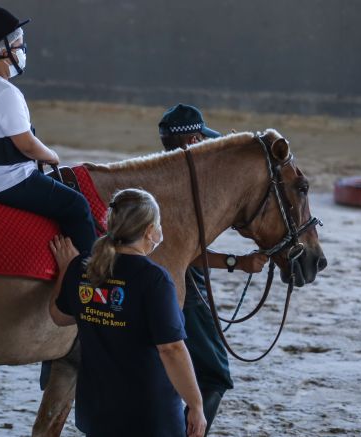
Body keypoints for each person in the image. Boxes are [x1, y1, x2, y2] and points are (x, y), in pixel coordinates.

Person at [49, 188, 207, 437]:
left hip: (97, 408)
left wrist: (66, 270)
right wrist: (196, 405)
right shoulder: (154, 278)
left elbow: (59, 316)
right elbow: (171, 349)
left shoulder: (82, 269)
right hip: (147, 413)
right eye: (158, 224)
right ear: (149, 230)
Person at [158, 104, 268, 435]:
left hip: (158, 280)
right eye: (203, 138)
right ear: (194, 140)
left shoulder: (156, 175)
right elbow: (187, 254)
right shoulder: (188, 186)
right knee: (214, 375)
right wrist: (238, 262)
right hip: (186, 286)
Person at [0, 6, 97, 258]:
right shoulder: (5, 94)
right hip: (6, 182)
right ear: (3, 51)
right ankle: (88, 272)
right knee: (76, 206)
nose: (22, 50)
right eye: (18, 45)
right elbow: (27, 146)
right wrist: (51, 155)